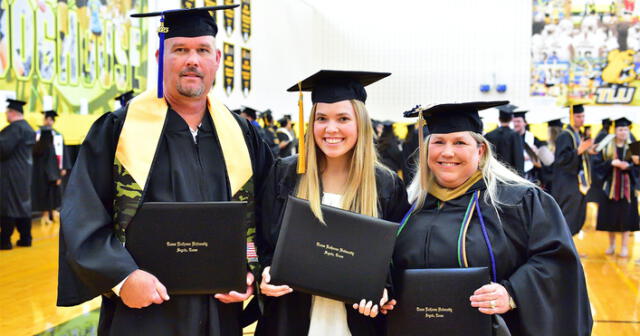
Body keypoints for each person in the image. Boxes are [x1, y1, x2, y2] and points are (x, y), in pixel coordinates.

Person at [56, 6, 273, 335]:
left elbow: (266, 215)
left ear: (216, 60)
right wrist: (122, 277)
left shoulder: (243, 135)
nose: (192, 60)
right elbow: (82, 213)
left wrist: (250, 271)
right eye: (180, 50)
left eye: (202, 50)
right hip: (143, 313)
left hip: (220, 311)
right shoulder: (118, 129)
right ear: (160, 55)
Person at [394, 101, 592, 335]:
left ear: (480, 151)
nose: (447, 152)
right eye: (438, 142)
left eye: (460, 142)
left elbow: (558, 262)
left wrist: (512, 293)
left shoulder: (519, 201)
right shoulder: (408, 206)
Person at [256, 70, 410, 336]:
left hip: (357, 323)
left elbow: (399, 255)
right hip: (290, 318)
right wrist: (264, 272)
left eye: (343, 119)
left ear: (360, 124)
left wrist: (385, 289)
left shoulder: (385, 185)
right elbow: (259, 239)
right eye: (321, 118)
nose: (331, 128)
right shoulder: (286, 174)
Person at [593, 117, 639, 258]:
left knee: (626, 217)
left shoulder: (635, 145)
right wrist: (611, 163)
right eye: (620, 129)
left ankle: (624, 246)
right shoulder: (606, 144)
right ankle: (611, 245)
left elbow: (638, 166)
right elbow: (596, 164)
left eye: (625, 129)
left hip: (627, 188)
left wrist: (629, 166)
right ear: (615, 130)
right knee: (610, 216)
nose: (623, 132)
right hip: (610, 187)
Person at [552, 104, 594, 236]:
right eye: (578, 116)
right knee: (568, 217)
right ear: (570, 116)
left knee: (576, 216)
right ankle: (564, 251)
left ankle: (571, 247)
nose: (581, 119)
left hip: (577, 183)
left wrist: (588, 151)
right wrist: (580, 150)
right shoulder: (565, 135)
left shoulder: (577, 134)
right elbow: (561, 160)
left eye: (583, 116)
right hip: (567, 185)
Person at [0, 98, 35, 249]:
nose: (6, 115)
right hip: (24, 173)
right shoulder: (28, 128)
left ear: (13, 113)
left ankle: (5, 241)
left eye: (7, 112)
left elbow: (3, 150)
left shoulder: (14, 129)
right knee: (23, 205)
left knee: (8, 206)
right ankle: (26, 238)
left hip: (10, 174)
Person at [32, 110, 66, 225]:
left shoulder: (57, 135)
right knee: (44, 191)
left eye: (51, 119)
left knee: (55, 191)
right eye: (47, 119)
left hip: (54, 168)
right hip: (42, 169)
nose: (49, 121)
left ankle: (54, 212)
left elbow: (62, 153)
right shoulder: (37, 134)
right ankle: (46, 214)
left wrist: (62, 167)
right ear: (44, 119)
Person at [484, 104, 524, 175]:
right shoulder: (514, 135)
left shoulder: (489, 135)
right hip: (510, 175)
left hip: (493, 173)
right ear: (511, 119)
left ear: (499, 119)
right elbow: (518, 158)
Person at [512, 109, 545, 182]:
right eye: (514, 121)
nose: (516, 124)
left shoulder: (532, 138)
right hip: (514, 173)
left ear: (525, 123)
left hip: (531, 175)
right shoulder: (509, 138)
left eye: (518, 121)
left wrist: (536, 152)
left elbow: (542, 159)